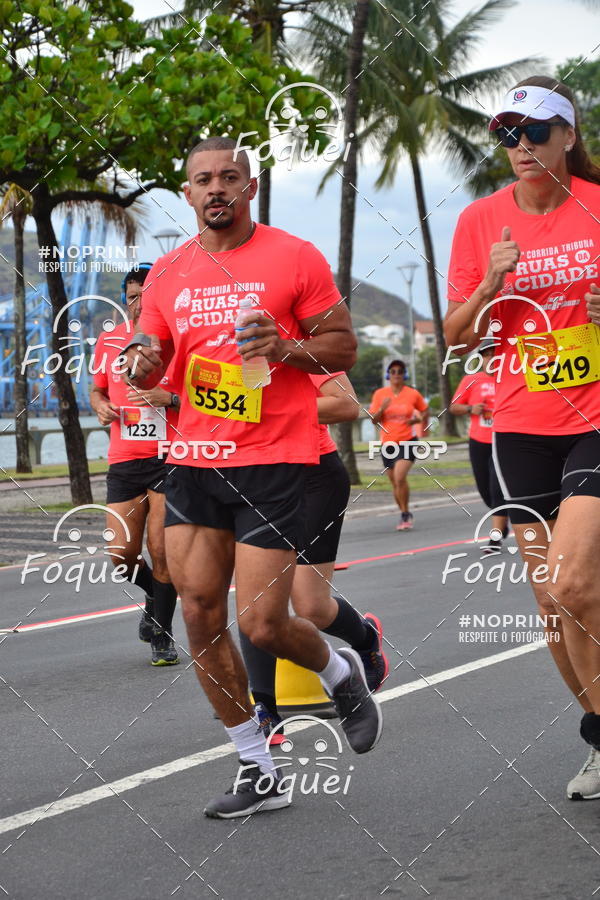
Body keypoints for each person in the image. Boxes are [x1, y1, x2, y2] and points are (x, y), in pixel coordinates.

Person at [122, 136, 383, 819]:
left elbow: (342, 344)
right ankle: (257, 766)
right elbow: (153, 350)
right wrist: (140, 365)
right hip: (194, 466)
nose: (216, 188)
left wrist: (286, 345)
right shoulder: (169, 273)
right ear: (187, 193)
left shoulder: (294, 256)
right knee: (201, 615)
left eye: (229, 177)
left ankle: (339, 670)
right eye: (203, 178)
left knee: (263, 623)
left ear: (250, 187)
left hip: (274, 463)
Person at [444, 75, 600, 800]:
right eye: (509, 133)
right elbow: (455, 335)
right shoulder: (480, 223)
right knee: (553, 602)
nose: (523, 146)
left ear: (569, 135)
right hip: (522, 425)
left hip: (595, 418)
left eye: (536, 131)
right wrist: (488, 287)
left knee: (574, 580)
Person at [239, 371, 389, 743]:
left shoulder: (299, 345)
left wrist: (269, 408)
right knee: (256, 602)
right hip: (253, 477)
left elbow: (346, 405)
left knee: (310, 607)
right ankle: (266, 711)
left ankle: (365, 639)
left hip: (313, 477)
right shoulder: (216, 343)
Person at [90, 263, 180, 666]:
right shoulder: (109, 341)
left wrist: (170, 399)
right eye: (132, 296)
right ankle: (152, 595)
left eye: (147, 293)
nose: (139, 302)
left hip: (169, 457)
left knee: (162, 552)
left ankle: (162, 633)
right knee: (120, 555)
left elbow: (203, 394)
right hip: (124, 459)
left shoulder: (177, 341)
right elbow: (95, 390)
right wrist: (101, 406)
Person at [450, 338, 509, 554]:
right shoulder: (471, 380)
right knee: (486, 492)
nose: (491, 357)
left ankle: (494, 539)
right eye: (487, 354)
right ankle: (503, 520)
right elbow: (454, 407)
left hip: (502, 441)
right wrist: (470, 409)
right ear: (482, 358)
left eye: (495, 353)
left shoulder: (510, 379)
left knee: (497, 489)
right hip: (478, 441)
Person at [369, 359, 429, 530]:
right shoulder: (380, 394)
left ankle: (405, 515)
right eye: (393, 371)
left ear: (405, 375)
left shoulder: (412, 393)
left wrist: (418, 420)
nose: (396, 374)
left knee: (399, 477)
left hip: (407, 441)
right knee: (395, 483)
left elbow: (425, 411)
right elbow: (374, 420)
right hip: (388, 443)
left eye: (400, 371)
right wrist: (382, 408)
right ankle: (405, 511)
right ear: (388, 375)